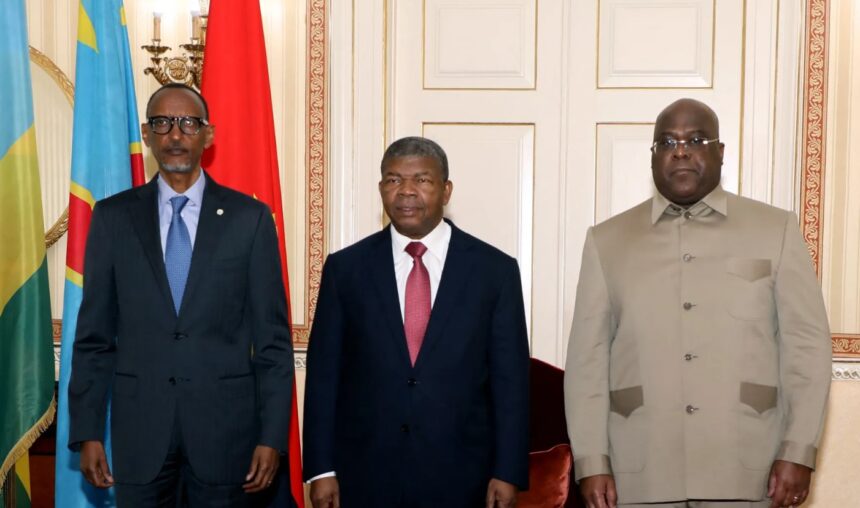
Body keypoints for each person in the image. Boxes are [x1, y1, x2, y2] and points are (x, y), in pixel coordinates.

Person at [564, 98, 832, 508]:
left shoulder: (775, 229)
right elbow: (587, 363)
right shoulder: (607, 241)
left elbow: (807, 350)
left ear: (720, 152)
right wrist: (591, 461)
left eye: (697, 139)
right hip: (639, 474)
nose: (682, 150)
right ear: (654, 157)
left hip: (751, 471)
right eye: (667, 141)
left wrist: (798, 451)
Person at [67, 83, 295, 507]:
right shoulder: (113, 218)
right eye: (162, 123)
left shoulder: (250, 219)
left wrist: (272, 438)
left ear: (208, 136)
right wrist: (88, 432)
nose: (175, 135)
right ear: (147, 133)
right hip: (140, 439)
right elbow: (94, 337)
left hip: (227, 441)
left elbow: (273, 344)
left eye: (188, 123)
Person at [303, 136, 530, 507]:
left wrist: (508, 471)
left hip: (463, 476)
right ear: (381, 189)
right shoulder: (345, 270)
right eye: (393, 180)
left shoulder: (494, 272)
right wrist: (320, 469)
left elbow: (511, 382)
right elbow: (324, 376)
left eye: (422, 180)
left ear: (446, 190)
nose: (406, 191)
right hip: (364, 475)